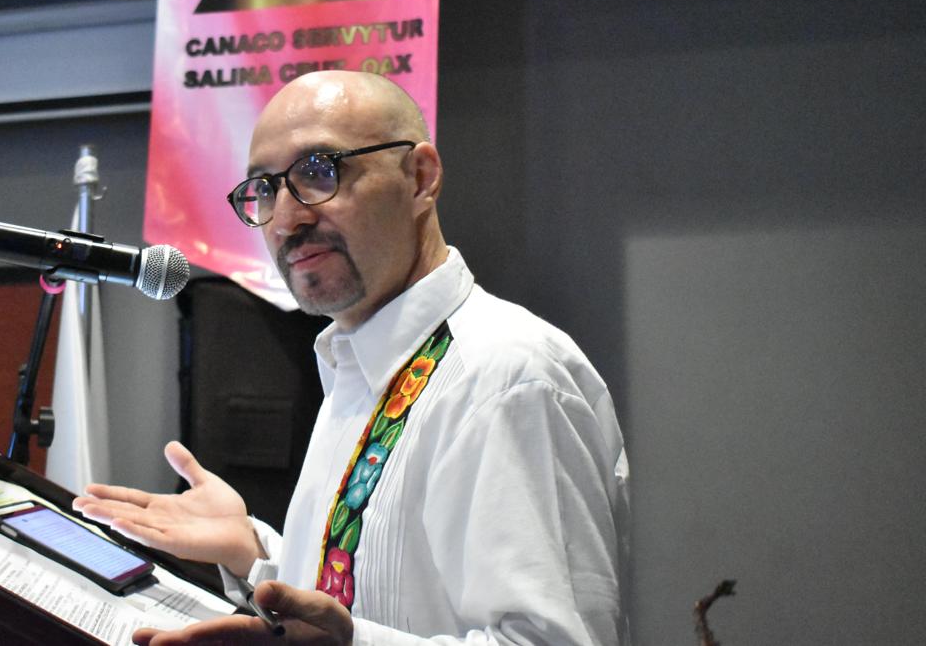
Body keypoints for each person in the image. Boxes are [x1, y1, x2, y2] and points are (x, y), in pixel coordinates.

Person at [73, 70, 630, 645]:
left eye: (319, 171)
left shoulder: (508, 375)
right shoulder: (359, 366)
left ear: (419, 178)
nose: (285, 219)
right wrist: (255, 555)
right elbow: (371, 598)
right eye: (265, 189)